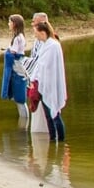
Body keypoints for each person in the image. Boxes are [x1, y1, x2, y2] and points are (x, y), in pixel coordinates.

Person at [29, 14, 67, 142]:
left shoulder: (53, 45)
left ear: (42, 33)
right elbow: (40, 64)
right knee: (48, 115)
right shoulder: (45, 45)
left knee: (55, 114)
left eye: (36, 33)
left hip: (51, 84)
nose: (35, 35)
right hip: (42, 84)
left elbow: (49, 66)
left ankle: (61, 142)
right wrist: (34, 79)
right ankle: (52, 139)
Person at [1, 14, 31, 108]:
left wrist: (8, 52)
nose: (8, 24)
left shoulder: (18, 38)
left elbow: (13, 52)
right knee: (19, 94)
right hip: (19, 65)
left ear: (14, 24)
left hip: (17, 67)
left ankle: (23, 120)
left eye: (10, 22)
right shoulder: (20, 36)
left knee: (19, 96)